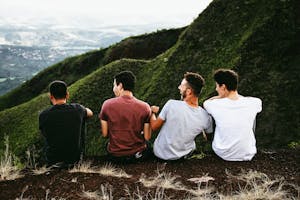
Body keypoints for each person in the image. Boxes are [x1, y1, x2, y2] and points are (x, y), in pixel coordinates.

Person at [151, 72, 213, 160]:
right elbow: (208, 137)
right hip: (183, 156)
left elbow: (154, 127)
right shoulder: (205, 117)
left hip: (160, 153)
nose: (179, 87)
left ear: (188, 91)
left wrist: (152, 113)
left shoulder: (171, 104)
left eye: (181, 86)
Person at [203, 69, 262, 161]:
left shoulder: (212, 104)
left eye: (217, 86)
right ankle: (244, 144)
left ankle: (210, 141)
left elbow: (206, 102)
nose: (216, 89)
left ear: (223, 86)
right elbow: (253, 100)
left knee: (210, 116)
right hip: (248, 153)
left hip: (223, 153)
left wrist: (220, 96)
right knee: (251, 116)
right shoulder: (254, 102)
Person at [99, 71, 152, 163]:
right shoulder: (145, 107)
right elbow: (147, 137)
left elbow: (105, 134)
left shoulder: (107, 105)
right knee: (148, 144)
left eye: (114, 85)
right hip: (136, 156)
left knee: (107, 145)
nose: (114, 89)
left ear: (120, 86)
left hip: (115, 156)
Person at [39, 80, 93, 166]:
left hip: (53, 161)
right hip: (75, 160)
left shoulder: (43, 114)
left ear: (51, 96)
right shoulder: (77, 109)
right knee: (82, 118)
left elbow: (44, 133)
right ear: (67, 95)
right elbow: (90, 113)